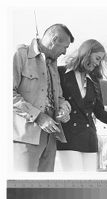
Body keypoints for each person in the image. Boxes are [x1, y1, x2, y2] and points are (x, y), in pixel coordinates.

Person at [56, 39, 107, 171]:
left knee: (89, 183)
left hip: (89, 140)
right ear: (87, 53)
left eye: (100, 60)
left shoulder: (94, 81)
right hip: (68, 139)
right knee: (74, 181)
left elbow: (100, 113)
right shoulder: (60, 73)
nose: (98, 63)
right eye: (97, 58)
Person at [13, 24, 74, 171]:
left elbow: (59, 97)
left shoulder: (52, 63)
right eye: (64, 47)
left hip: (51, 139)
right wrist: (39, 117)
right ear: (54, 39)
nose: (65, 52)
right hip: (25, 138)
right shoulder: (19, 55)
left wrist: (65, 109)